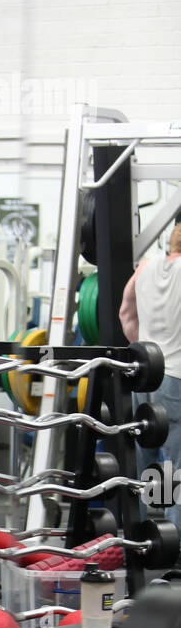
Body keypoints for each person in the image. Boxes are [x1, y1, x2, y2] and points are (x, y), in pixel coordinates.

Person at [119, 222, 181, 529]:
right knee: (174, 462)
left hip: (143, 374)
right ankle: (174, 541)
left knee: (144, 456)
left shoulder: (145, 267)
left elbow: (125, 314)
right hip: (175, 379)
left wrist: (144, 348)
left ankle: (140, 537)